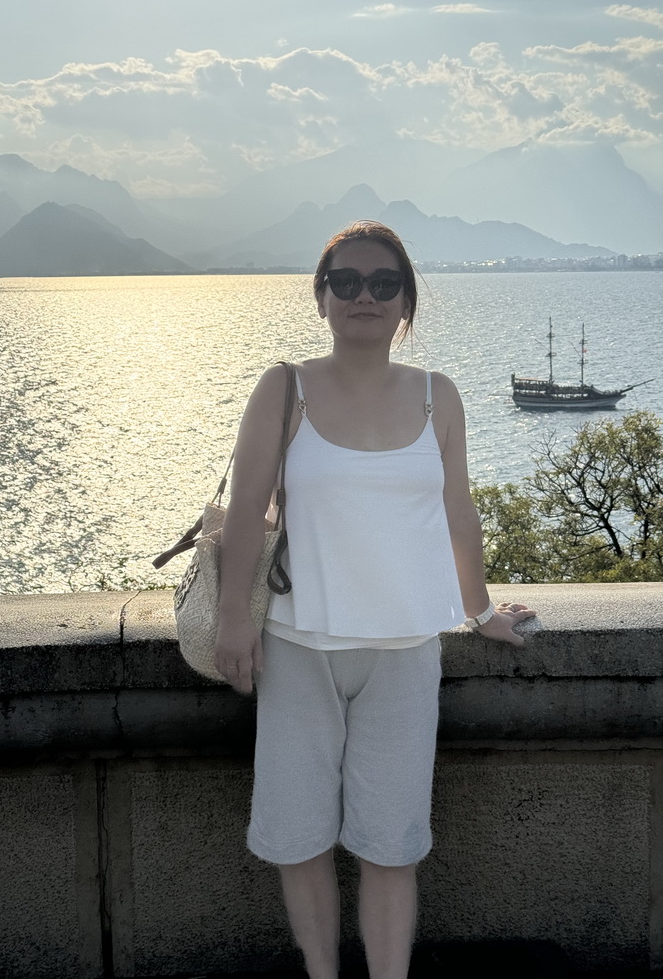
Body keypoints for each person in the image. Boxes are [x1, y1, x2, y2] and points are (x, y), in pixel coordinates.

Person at [214, 221, 534, 979]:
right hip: (296, 647)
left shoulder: (437, 397)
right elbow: (244, 508)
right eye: (346, 281)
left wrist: (481, 611)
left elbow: (459, 512)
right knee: (300, 837)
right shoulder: (284, 386)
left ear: (406, 303)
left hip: (405, 654)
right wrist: (234, 619)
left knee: (392, 844)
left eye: (383, 283)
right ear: (321, 297)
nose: (365, 295)